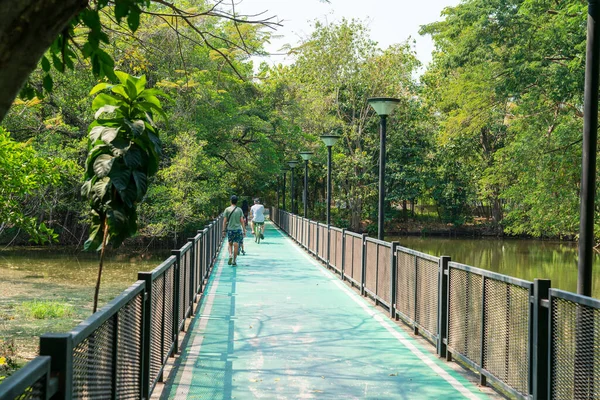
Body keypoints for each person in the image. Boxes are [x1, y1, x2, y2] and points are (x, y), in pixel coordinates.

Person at [222, 195, 245, 266]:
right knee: (236, 245)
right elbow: (242, 221)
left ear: (230, 201)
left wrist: (223, 230)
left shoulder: (227, 209)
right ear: (237, 202)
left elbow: (225, 221)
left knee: (230, 243)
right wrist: (244, 229)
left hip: (230, 230)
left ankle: (230, 255)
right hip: (238, 229)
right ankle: (234, 260)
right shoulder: (239, 210)